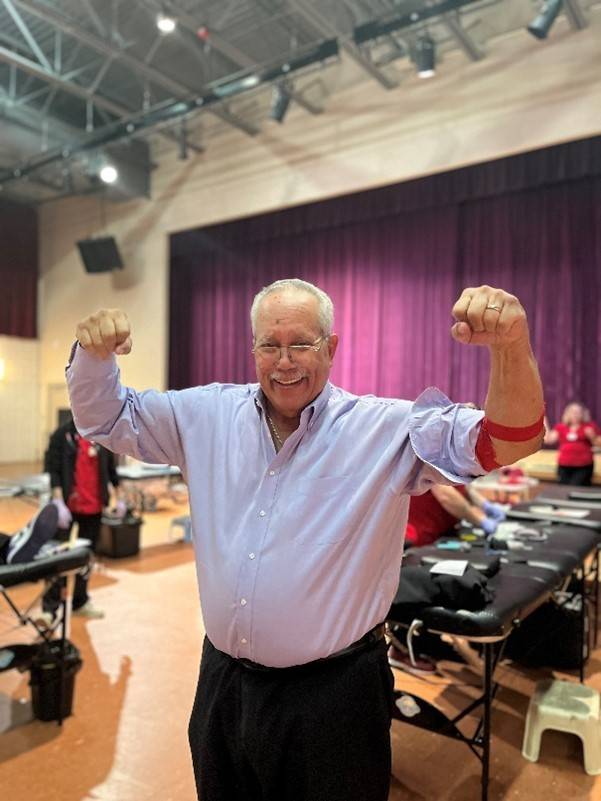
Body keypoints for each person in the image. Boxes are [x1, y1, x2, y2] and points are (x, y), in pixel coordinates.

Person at [67, 280, 544, 801]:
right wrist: (95, 358)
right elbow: (105, 417)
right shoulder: (205, 416)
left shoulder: (384, 429)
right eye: (269, 346)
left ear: (331, 347)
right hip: (224, 685)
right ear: (252, 349)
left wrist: (510, 345)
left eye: (300, 344)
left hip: (334, 697)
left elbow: (508, 440)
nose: (284, 362)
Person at [41, 416, 126, 621]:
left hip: (94, 507)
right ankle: (49, 609)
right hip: (67, 507)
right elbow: (53, 470)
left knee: (86, 557)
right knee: (57, 557)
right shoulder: (62, 435)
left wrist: (120, 498)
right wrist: (58, 501)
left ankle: (80, 602)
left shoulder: (102, 435)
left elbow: (111, 471)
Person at [405, 483, 506, 548]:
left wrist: (485, 505)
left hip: (443, 533)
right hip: (423, 535)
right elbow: (446, 496)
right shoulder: (434, 458)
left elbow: (464, 486)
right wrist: (481, 520)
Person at [544, 402, 601, 486]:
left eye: (578, 412)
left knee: (576, 488)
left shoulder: (589, 426)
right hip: (564, 465)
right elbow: (548, 440)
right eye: (572, 412)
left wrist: (593, 437)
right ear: (567, 414)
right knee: (563, 489)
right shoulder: (561, 427)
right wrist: (543, 421)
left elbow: (598, 444)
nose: (575, 414)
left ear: (583, 414)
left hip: (583, 466)